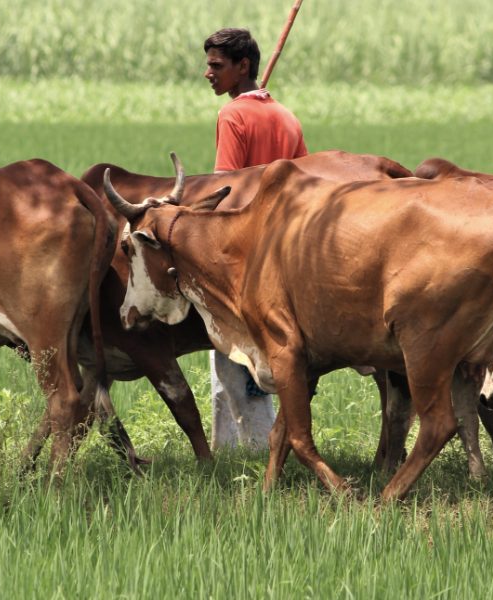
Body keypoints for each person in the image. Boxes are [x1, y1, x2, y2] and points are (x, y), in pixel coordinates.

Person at [202, 28, 308, 450]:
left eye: (216, 65)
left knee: (239, 361)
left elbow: (227, 192)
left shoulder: (233, 116)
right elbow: (305, 186)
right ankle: (226, 449)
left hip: (247, 256)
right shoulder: (286, 116)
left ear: (242, 67)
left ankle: (259, 450)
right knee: (242, 361)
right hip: (286, 252)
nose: (207, 73)